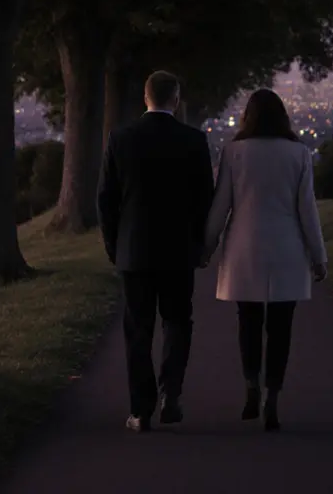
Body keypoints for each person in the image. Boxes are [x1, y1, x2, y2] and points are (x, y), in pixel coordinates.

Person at [203, 88, 327, 432]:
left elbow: (221, 206)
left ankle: (251, 386)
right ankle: (273, 394)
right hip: (287, 248)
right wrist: (319, 257)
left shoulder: (234, 153)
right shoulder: (299, 154)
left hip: (245, 248)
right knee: (281, 328)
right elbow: (307, 211)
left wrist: (207, 246)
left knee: (248, 323)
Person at [97, 70, 215, 433]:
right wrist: (200, 246)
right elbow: (203, 201)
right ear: (175, 100)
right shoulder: (194, 140)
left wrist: (115, 246)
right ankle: (172, 393)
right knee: (178, 322)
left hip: (134, 251)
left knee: (138, 330)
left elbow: (106, 201)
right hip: (179, 251)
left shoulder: (120, 138)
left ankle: (140, 410)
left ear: (144, 98)